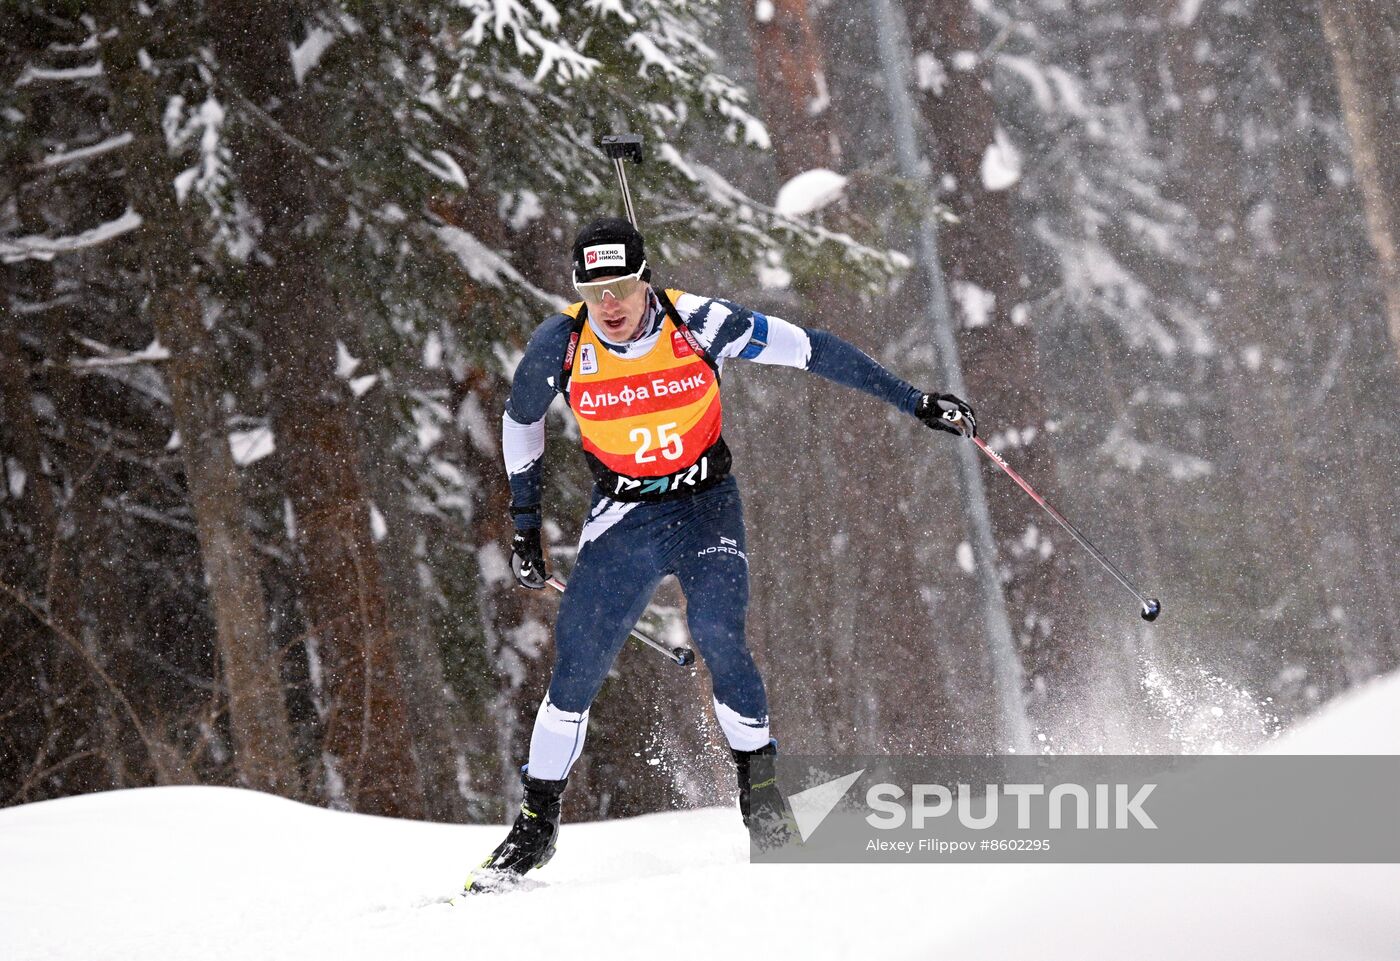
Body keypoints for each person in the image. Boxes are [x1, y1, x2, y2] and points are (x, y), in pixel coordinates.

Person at [466, 216, 975, 892]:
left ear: (645, 280)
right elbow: (521, 418)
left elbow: (811, 349)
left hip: (704, 506)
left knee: (717, 633)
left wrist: (914, 402)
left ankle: (762, 801)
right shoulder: (561, 344)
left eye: (621, 287)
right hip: (622, 514)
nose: (610, 306)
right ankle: (534, 825)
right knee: (576, 668)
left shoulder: (700, 322)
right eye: (595, 292)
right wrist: (525, 523)